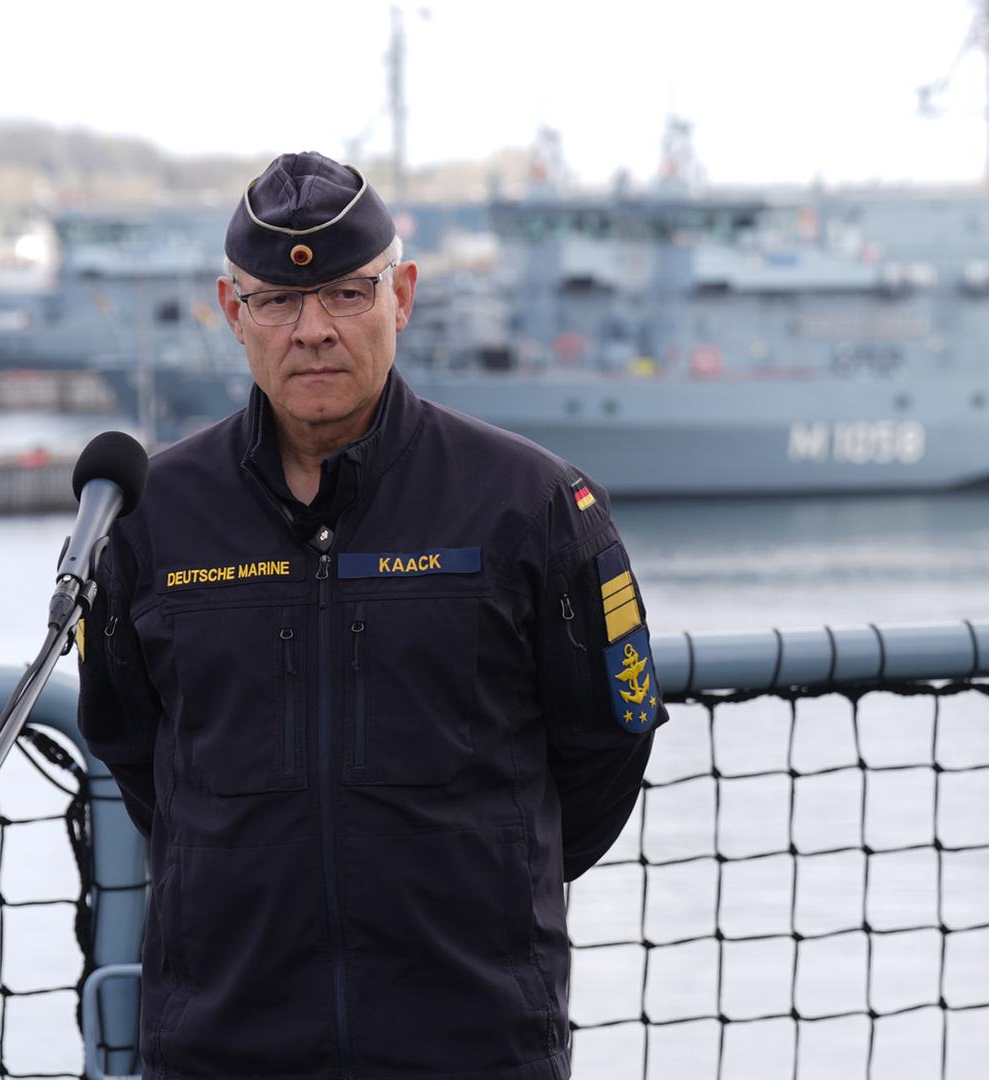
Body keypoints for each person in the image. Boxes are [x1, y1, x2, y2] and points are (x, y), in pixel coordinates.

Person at [76, 151, 665, 1079]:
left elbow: (606, 746)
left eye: (348, 295)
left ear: (405, 295)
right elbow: (133, 749)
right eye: (277, 301)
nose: (312, 330)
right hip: (223, 1047)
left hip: (472, 1044)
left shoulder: (531, 505)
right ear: (233, 313)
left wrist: (481, 886)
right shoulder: (153, 517)